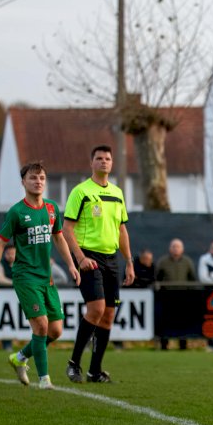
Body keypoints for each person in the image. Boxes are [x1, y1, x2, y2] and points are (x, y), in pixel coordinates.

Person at [0, 161, 80, 389]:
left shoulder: (51, 208)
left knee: (55, 331)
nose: (38, 182)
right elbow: (0, 243)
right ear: (23, 182)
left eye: (41, 178)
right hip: (25, 276)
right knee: (41, 326)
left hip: (46, 277)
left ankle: (19, 358)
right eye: (33, 178)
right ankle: (44, 379)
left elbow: (58, 237)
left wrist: (71, 265)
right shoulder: (17, 212)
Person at [63, 145, 135, 384]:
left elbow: (122, 229)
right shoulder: (80, 192)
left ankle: (95, 371)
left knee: (108, 316)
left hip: (112, 258)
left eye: (107, 158)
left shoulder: (117, 193)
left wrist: (130, 262)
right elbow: (67, 229)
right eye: (99, 158)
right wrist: (80, 258)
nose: (104, 162)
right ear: (91, 163)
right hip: (88, 257)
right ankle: (74, 364)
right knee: (96, 310)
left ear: (112, 163)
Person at [156, 238, 197, 350]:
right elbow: (157, 278)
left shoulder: (187, 262)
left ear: (182, 249)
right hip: (167, 297)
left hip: (183, 297)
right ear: (170, 248)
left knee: (182, 321)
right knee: (165, 322)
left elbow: (192, 279)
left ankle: (183, 344)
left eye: (178, 246)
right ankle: (164, 344)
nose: (176, 249)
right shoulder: (163, 262)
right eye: (174, 246)